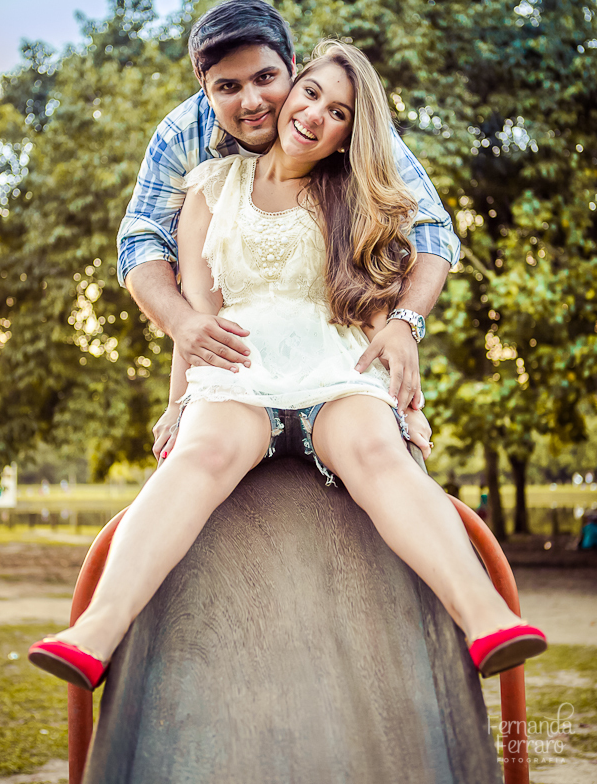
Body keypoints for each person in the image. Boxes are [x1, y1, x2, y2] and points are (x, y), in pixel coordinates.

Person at [29, 41, 546, 690]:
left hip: (336, 369)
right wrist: (177, 402)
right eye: (311, 94)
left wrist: (403, 375)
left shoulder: (355, 195)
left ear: (348, 135)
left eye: (339, 114)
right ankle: (94, 633)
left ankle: (485, 620)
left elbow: (411, 267)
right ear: (290, 91)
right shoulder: (213, 188)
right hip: (241, 374)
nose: (315, 115)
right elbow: (198, 318)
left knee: (377, 456)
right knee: (199, 460)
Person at [117, 0, 461, 456]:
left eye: (265, 78)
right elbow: (143, 241)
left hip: (337, 347)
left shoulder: (343, 127)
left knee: (391, 454)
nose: (253, 102)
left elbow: (428, 231)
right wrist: (181, 342)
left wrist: (404, 325)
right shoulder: (184, 141)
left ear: (294, 69)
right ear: (204, 87)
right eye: (228, 87)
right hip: (236, 357)